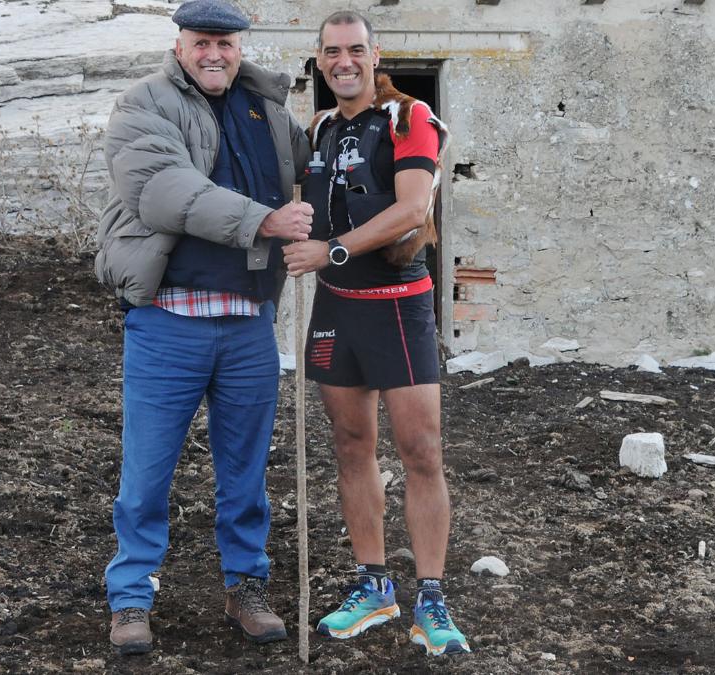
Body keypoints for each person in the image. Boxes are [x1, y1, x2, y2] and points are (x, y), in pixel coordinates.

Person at [93, 0, 313, 655]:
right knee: (147, 473)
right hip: (168, 320)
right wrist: (263, 222)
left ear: (240, 45)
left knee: (245, 474)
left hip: (247, 325)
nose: (214, 53)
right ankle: (131, 595)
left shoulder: (268, 111)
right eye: (202, 41)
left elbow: (315, 171)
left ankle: (246, 585)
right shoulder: (144, 104)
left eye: (225, 42)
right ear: (181, 43)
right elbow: (163, 187)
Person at [282, 9, 469, 657]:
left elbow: (413, 207)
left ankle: (433, 597)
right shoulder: (320, 129)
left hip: (398, 304)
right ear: (321, 59)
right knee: (351, 445)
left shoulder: (411, 117)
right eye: (332, 50)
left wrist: (330, 250)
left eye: (355, 49)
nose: (344, 61)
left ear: (374, 53)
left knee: (420, 450)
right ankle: (374, 585)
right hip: (337, 311)